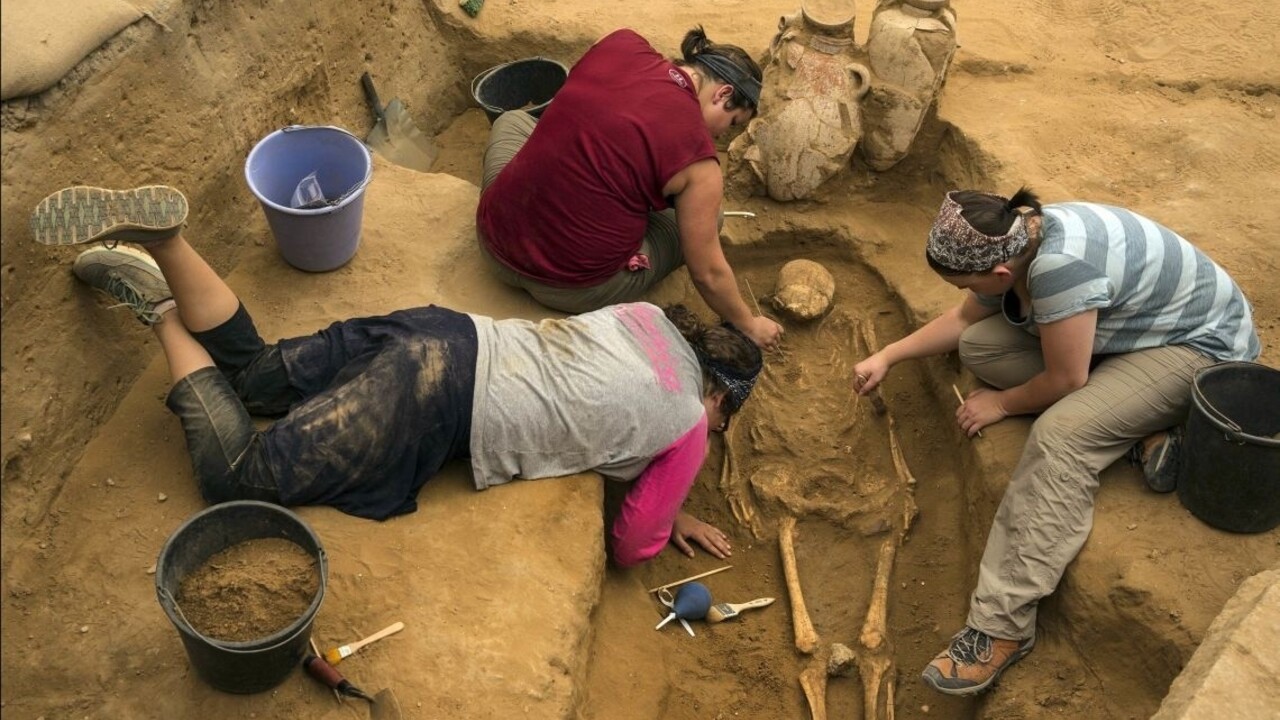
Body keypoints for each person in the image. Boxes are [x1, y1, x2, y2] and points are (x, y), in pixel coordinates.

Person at [31, 184, 766, 567]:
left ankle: (166, 239)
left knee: (254, 375)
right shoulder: (693, 423)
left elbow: (605, 398)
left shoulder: (644, 322)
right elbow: (634, 542)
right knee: (238, 476)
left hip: (439, 330)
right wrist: (672, 511)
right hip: (429, 397)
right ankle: (161, 313)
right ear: (720, 399)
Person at [853, 188, 1259, 695]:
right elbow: (963, 323)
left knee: (1061, 435)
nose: (965, 292)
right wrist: (888, 355)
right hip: (1128, 334)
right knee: (980, 347)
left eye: (967, 284)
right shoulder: (1013, 236)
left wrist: (1002, 405)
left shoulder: (1059, 269)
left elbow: (1066, 382)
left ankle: (1001, 628)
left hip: (1197, 351)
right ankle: (1137, 424)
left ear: (1002, 275)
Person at [475, 26, 783, 351]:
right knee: (711, 218)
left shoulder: (622, 43)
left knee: (512, 121)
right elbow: (707, 272)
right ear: (722, 94)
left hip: (494, 243)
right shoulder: (701, 163)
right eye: (732, 122)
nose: (723, 135)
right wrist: (749, 325)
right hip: (572, 286)